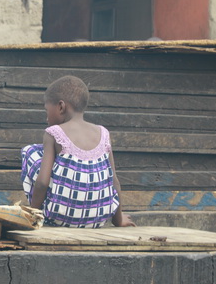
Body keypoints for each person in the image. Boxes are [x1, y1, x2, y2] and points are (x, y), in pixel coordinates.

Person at [21, 76, 135, 228]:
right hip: (97, 221)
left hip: (60, 218)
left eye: (47, 111)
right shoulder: (103, 133)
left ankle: (37, 214)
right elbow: (114, 181)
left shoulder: (53, 132)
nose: (47, 118)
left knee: (31, 151)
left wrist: (32, 216)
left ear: (61, 107)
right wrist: (118, 219)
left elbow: (42, 182)